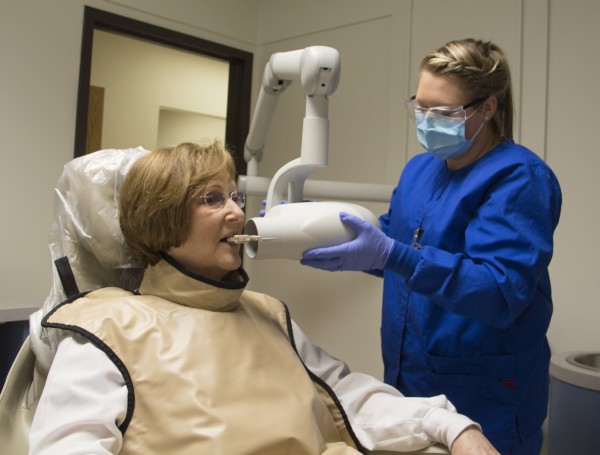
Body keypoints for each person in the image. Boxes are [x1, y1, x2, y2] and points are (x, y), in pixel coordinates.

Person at [28, 141, 498, 455]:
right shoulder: (104, 330)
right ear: (161, 222)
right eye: (212, 200)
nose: (237, 211)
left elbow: (347, 395)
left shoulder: (266, 312)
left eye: (234, 196)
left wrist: (450, 426)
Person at [301, 38, 562, 454]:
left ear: (487, 107)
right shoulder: (421, 169)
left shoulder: (519, 178)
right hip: (410, 378)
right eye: (419, 108)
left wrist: (391, 254)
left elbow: (498, 291)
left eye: (442, 112)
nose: (426, 121)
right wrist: (312, 226)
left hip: (485, 392)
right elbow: (393, 242)